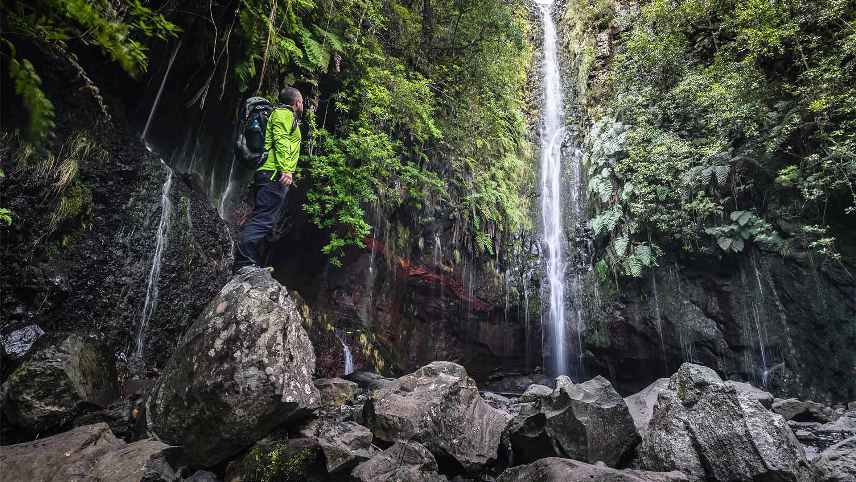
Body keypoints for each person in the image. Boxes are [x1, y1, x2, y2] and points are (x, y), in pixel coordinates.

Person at [234, 87, 303, 272]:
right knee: (263, 220)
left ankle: (249, 261)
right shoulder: (284, 114)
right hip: (273, 174)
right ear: (296, 102)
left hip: (268, 172)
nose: (302, 105)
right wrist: (286, 170)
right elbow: (281, 141)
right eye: (302, 101)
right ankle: (243, 263)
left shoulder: (282, 115)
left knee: (264, 218)